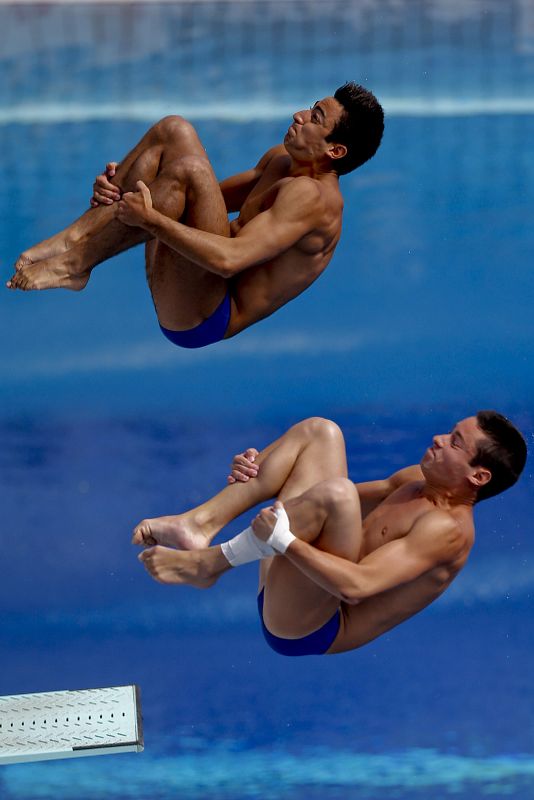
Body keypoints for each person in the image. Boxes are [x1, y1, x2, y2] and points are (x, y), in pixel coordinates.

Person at [6, 83, 384, 349]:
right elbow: (194, 196)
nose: (299, 115)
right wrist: (127, 181)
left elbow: (228, 260)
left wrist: (149, 219)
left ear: (335, 150)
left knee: (191, 171)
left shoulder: (314, 199)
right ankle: (75, 239)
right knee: (174, 130)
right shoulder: (282, 161)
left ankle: (76, 262)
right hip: (193, 274)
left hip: (203, 316)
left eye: (315, 118)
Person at [133, 412, 526, 656]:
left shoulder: (447, 532)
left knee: (337, 497)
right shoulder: (416, 480)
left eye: (455, 442)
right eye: (449, 431)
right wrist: (260, 469)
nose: (439, 438)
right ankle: (198, 524)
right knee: (321, 433)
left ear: (478, 476)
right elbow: (314, 500)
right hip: (301, 582)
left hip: (309, 626)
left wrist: (284, 540)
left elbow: (357, 586)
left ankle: (211, 564)